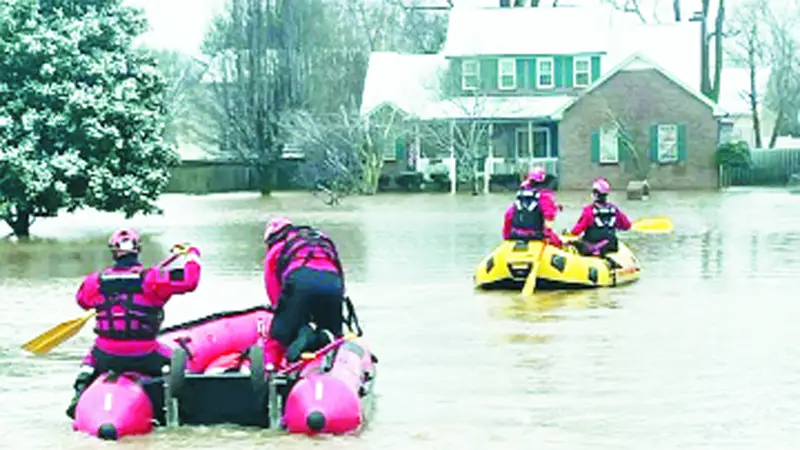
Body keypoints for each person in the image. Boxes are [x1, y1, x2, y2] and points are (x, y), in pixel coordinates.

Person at [66, 229, 201, 418]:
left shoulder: (94, 281)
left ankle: (79, 393)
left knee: (90, 358)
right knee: (182, 360)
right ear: (138, 250)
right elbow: (190, 280)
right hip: (145, 353)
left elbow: (82, 301)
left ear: (113, 252)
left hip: (106, 354)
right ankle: (181, 406)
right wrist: (192, 255)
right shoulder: (153, 278)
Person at [262, 216, 349, 369]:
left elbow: (273, 290)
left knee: (278, 335)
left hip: (300, 281)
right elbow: (339, 271)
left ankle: (270, 368)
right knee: (333, 334)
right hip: (333, 284)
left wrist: (283, 316)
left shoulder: (277, 249)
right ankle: (327, 350)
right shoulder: (318, 240)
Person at [566, 177, 632, 257]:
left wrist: (568, 233)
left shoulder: (589, 211)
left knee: (576, 243)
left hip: (594, 244)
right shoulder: (614, 209)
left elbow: (577, 231)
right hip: (611, 245)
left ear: (595, 194)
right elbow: (627, 225)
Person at [502, 166, 563, 247]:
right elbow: (548, 219)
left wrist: (506, 237)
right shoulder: (545, 196)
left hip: (515, 235)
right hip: (536, 235)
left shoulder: (520, 197)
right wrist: (556, 241)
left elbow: (508, 216)